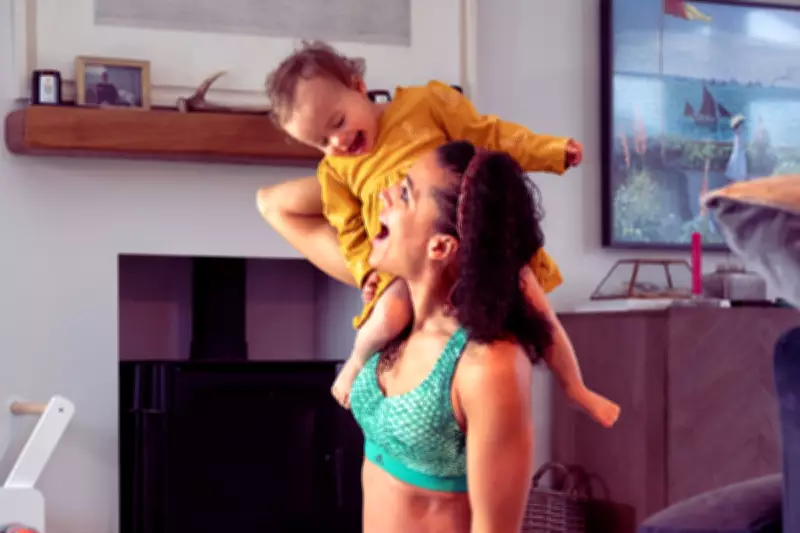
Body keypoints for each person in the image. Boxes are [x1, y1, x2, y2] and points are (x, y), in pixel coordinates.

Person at [258, 41, 619, 428]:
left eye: (338, 122)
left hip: (471, 241)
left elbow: (490, 137)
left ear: (358, 85)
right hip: (411, 264)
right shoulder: (335, 172)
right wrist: (367, 273)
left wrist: (549, 151)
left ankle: (576, 388)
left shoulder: (425, 104)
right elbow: (349, 230)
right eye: (322, 142)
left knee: (538, 309)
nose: (338, 142)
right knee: (387, 315)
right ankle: (355, 362)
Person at [348, 140, 553, 532]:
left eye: (404, 194)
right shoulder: (395, 320)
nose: (383, 194)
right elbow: (282, 210)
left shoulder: (488, 364)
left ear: (440, 246)